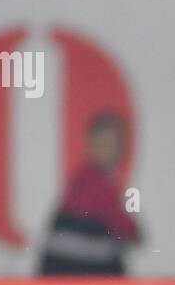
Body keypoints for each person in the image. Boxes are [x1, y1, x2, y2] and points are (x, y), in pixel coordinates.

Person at [39, 112, 142, 275]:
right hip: (71, 269)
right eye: (105, 141)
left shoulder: (103, 181)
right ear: (91, 142)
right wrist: (133, 231)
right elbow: (118, 221)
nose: (112, 148)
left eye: (115, 142)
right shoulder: (89, 180)